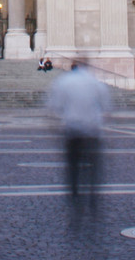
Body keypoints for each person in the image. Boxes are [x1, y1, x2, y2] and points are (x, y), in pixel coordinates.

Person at [46, 61, 112, 217]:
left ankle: (75, 195)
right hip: (92, 132)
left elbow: (53, 108)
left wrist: (54, 129)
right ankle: (93, 195)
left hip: (73, 131)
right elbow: (107, 109)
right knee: (93, 167)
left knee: (73, 166)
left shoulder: (63, 82)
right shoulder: (96, 83)